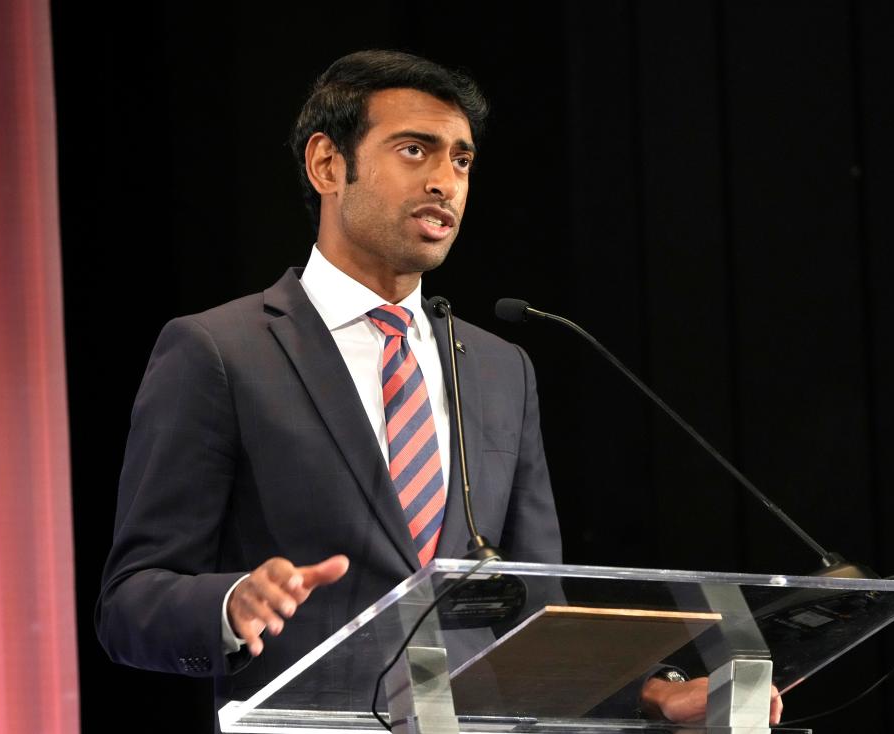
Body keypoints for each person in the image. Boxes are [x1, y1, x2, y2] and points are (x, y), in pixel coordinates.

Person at [95, 49, 781, 728]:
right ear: (327, 164)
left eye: (461, 160)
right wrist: (232, 602)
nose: (446, 182)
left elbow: (538, 608)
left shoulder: (499, 367)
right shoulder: (220, 352)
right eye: (415, 150)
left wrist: (653, 692)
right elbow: (131, 603)